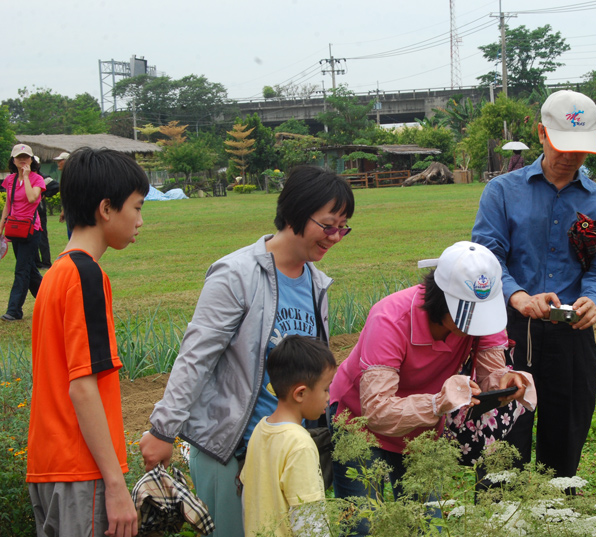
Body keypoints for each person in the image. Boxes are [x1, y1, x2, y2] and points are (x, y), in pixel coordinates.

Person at [139, 166, 355, 537]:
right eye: (329, 225)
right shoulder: (236, 274)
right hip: (231, 449)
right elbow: (196, 356)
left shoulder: (316, 284)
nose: (336, 237)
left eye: (343, 227)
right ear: (293, 215)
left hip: (283, 451)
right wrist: (163, 429)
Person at [329, 241, 536, 534]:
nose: (476, 324)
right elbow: (376, 411)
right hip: (358, 422)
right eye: (468, 313)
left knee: (427, 523)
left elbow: (492, 374)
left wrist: (505, 385)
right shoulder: (390, 319)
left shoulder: (480, 323)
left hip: (421, 427)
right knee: (361, 523)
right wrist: (438, 404)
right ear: (441, 298)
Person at [472, 90, 596, 480]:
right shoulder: (502, 192)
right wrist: (518, 296)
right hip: (508, 336)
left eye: (581, 149)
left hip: (572, 339)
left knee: (565, 445)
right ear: (541, 133)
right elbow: (486, 262)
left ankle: (559, 517)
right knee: (503, 447)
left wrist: (595, 300)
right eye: (562, 146)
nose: (571, 157)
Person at [26, 147, 148, 537]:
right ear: (106, 208)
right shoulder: (86, 275)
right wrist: (115, 484)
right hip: (82, 469)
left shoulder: (54, 275)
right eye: (137, 207)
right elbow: (83, 386)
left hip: (47, 465)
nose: (140, 221)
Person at [240, 335, 336, 537]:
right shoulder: (300, 444)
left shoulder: (260, 429)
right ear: (300, 393)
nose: (329, 397)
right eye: (325, 389)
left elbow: (247, 493)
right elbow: (309, 520)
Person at [0, 144, 46, 321]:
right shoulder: (10, 180)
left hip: (31, 230)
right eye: (19, 156)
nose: (22, 159)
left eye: (26, 156)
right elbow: (8, 205)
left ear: (32, 159)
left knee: (21, 270)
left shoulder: (37, 179)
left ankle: (14, 311)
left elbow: (32, 198)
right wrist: (1, 226)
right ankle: (51, 300)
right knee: (30, 270)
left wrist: (26, 177)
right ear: (13, 160)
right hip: (14, 229)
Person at [34, 155, 62, 269]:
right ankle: (36, 262)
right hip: (28, 212)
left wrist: (45, 193)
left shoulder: (42, 177)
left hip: (39, 210)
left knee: (42, 236)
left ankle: (45, 262)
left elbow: (56, 186)